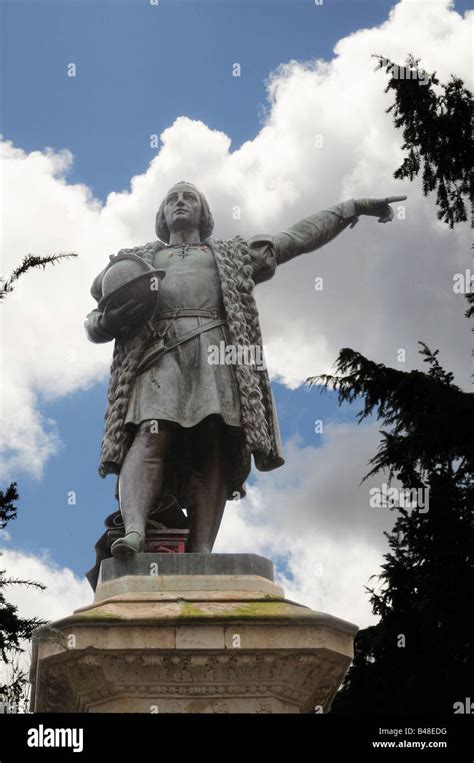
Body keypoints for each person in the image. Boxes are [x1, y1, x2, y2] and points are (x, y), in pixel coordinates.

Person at [85, 181, 406, 556]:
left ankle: (202, 552)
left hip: (217, 353)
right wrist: (105, 324)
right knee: (150, 436)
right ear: (161, 215)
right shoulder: (136, 261)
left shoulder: (232, 255)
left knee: (214, 447)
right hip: (159, 355)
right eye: (172, 199)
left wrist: (351, 207)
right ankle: (135, 533)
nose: (181, 202)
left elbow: (295, 239)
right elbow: (94, 319)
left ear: (205, 214)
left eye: (190, 197)